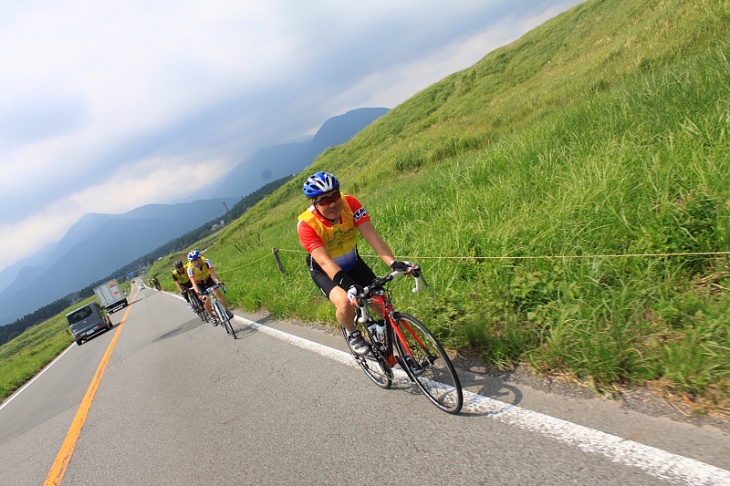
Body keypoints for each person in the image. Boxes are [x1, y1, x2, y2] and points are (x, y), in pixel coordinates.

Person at [297, 171, 413, 355]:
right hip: (325, 271)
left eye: (335, 196)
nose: (333, 203)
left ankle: (396, 346)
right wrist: (349, 285)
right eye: (325, 200)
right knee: (345, 302)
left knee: (381, 302)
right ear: (314, 203)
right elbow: (325, 262)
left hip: (353, 262)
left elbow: (372, 237)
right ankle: (352, 332)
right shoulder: (306, 225)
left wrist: (393, 263)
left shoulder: (350, 203)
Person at [186, 250, 234, 324]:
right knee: (206, 300)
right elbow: (193, 283)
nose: (196, 262)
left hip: (208, 279)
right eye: (194, 261)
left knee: (217, 292)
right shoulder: (190, 269)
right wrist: (198, 293)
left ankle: (227, 311)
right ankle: (212, 316)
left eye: (198, 260)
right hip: (199, 284)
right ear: (191, 262)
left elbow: (213, 274)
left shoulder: (206, 262)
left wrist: (218, 282)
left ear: (200, 258)